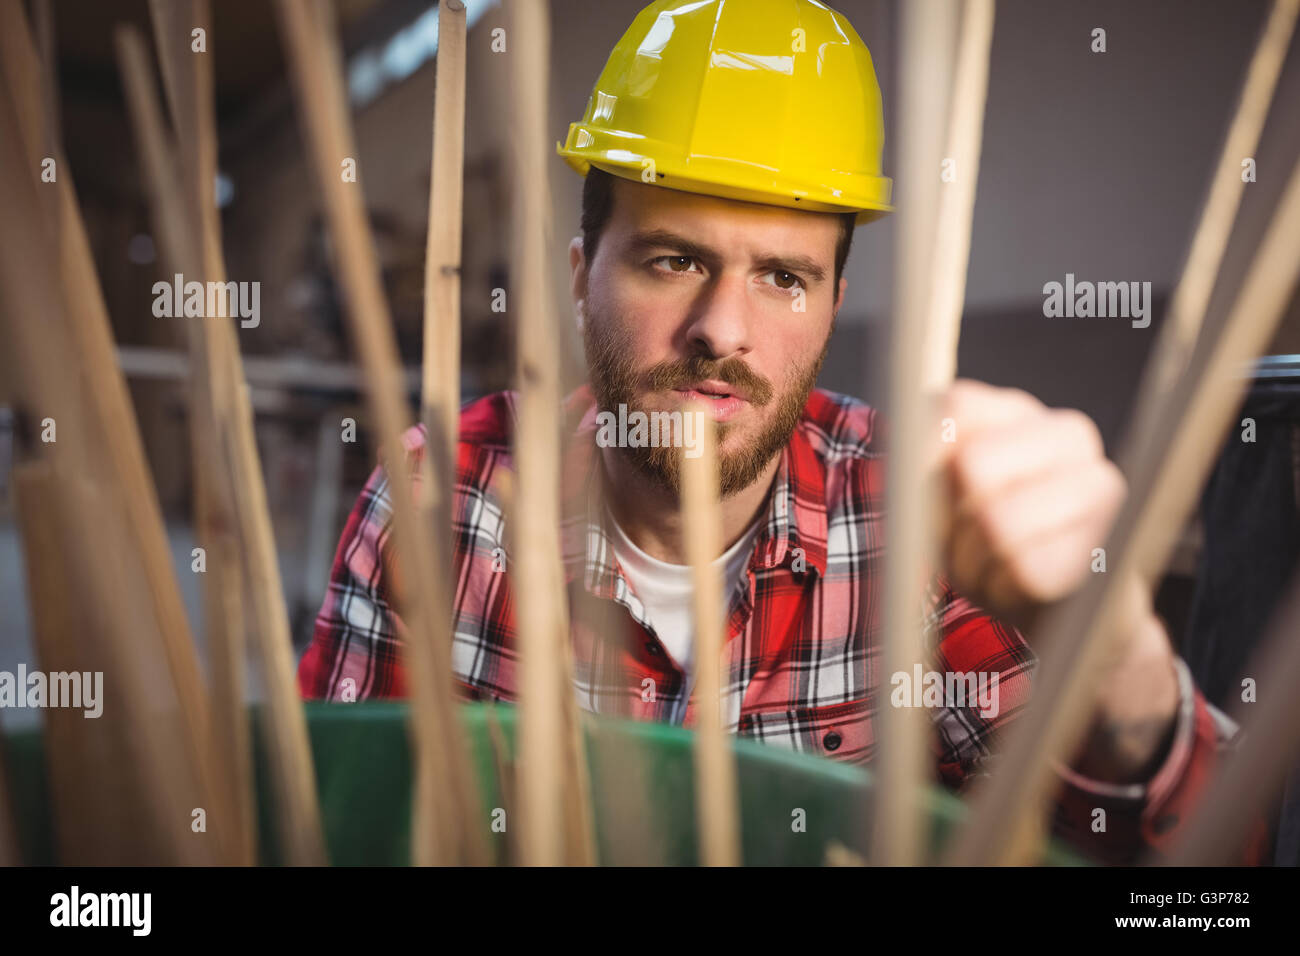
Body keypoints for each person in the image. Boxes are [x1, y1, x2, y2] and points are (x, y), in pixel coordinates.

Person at [299, 0, 1247, 863]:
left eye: (783, 278)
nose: (722, 329)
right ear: (582, 274)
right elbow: (333, 830)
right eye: (674, 260)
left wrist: (1120, 663)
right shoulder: (440, 494)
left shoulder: (925, 517)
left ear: (833, 306)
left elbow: (1194, 888)